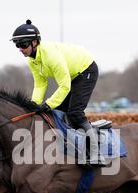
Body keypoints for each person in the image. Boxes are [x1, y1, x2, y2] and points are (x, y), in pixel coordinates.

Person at [11, 19, 107, 166]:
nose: (20, 49)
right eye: (17, 45)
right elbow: (40, 83)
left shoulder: (50, 55)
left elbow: (65, 85)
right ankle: (74, 149)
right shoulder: (32, 60)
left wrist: (48, 104)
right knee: (57, 113)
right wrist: (34, 104)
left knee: (75, 112)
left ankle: (96, 153)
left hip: (86, 69)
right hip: (73, 75)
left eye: (23, 44)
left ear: (35, 42)